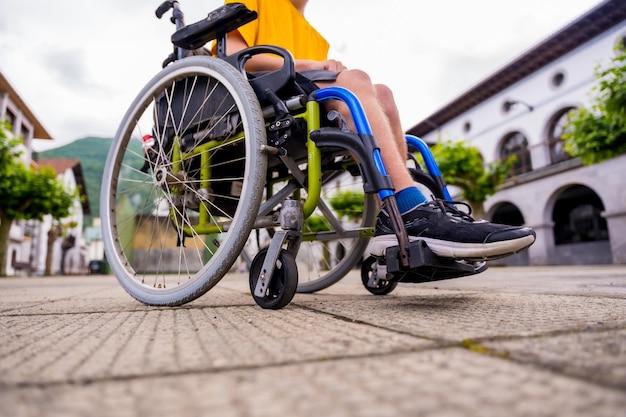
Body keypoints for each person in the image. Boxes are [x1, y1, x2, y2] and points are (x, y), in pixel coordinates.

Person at [220, 0, 536, 261]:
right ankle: (409, 208)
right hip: (260, 102)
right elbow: (236, 57)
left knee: (382, 93)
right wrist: (308, 64)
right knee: (355, 79)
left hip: (301, 101)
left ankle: (408, 210)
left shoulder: (312, 34)